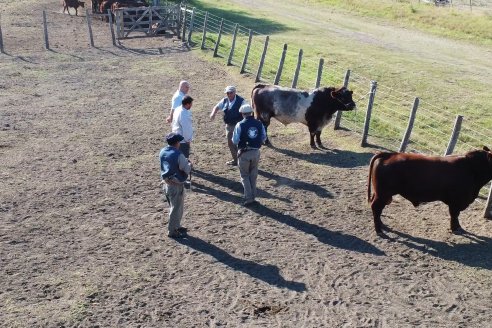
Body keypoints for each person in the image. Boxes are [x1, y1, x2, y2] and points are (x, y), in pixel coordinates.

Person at [232, 104, 266, 206]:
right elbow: (264, 138)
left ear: (242, 114)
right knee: (253, 174)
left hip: (244, 153)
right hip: (256, 152)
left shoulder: (240, 125)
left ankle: (248, 197)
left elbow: (235, 140)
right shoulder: (259, 124)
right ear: (251, 113)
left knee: (244, 175)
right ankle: (254, 196)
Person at [159, 132, 193, 238]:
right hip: (176, 185)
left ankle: (177, 226)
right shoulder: (179, 154)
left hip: (166, 183)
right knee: (176, 208)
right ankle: (172, 230)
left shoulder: (163, 151)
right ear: (177, 143)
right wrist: (190, 164)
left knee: (175, 206)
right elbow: (186, 169)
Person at [210, 85, 247, 166]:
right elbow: (216, 107)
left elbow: (247, 111)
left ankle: (243, 160)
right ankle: (236, 160)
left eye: (231, 93)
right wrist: (213, 113)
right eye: (227, 93)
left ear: (234, 92)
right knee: (230, 143)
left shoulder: (241, 101)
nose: (229, 95)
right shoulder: (224, 100)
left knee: (240, 143)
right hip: (229, 125)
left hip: (238, 125)